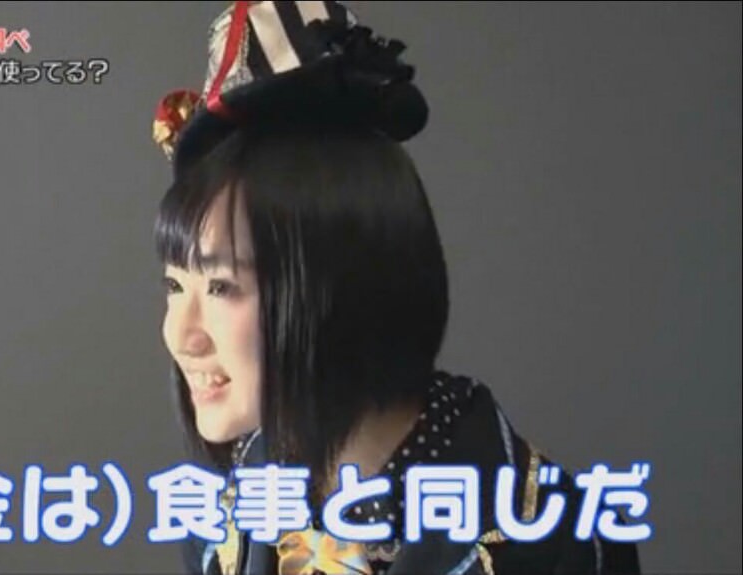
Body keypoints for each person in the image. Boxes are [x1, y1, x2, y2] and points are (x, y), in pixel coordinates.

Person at [150, 2, 643, 574]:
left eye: (220, 286)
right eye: (173, 284)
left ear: (339, 285)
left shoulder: (551, 539)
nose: (180, 335)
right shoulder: (221, 514)